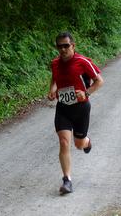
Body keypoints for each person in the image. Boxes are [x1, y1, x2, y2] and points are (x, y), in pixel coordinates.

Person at [48, 32, 104, 195]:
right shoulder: (55, 63)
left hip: (81, 108)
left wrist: (86, 93)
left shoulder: (82, 61)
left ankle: (86, 142)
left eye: (66, 45)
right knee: (64, 142)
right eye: (60, 46)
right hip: (63, 108)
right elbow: (54, 78)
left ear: (73, 45)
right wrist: (52, 91)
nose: (63, 49)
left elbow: (99, 81)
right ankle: (67, 180)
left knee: (78, 144)